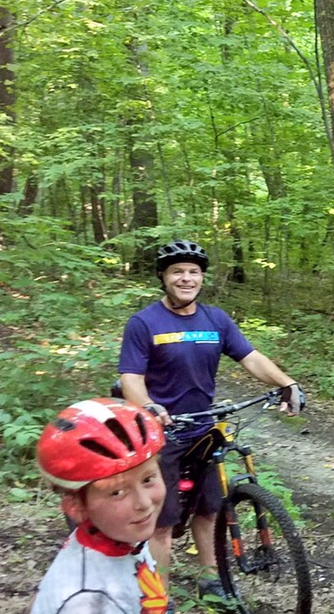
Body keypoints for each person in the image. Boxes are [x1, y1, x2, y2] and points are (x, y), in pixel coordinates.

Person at [118, 238, 305, 601]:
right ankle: (159, 598)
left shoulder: (215, 319)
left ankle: (210, 579)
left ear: (201, 278)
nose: (186, 278)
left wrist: (287, 382)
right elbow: (130, 380)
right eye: (178, 272)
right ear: (163, 277)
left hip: (205, 430)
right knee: (162, 522)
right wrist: (150, 407)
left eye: (193, 272)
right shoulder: (144, 323)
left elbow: (250, 357)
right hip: (163, 434)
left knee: (209, 509)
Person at [31, 398, 169, 614]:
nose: (143, 503)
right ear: (76, 507)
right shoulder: (90, 602)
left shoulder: (123, 539)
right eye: (117, 492)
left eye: (148, 479)